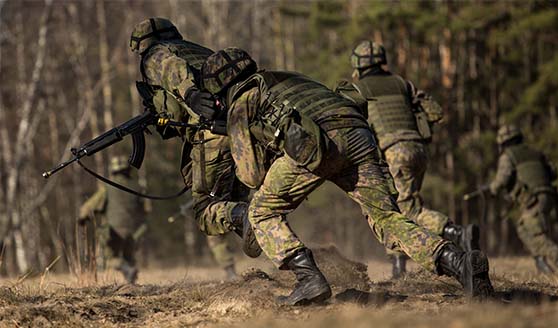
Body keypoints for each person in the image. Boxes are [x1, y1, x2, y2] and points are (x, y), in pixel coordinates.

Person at [191, 47, 494, 305]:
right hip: (360, 134)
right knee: (388, 219)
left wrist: (242, 136)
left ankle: (308, 278)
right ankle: (460, 262)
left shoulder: (241, 103)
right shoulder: (287, 78)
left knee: (261, 212)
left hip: (318, 144)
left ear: (221, 88)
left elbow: (251, 176)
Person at [337, 40, 480, 277]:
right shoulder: (402, 83)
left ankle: (454, 232)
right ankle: (399, 267)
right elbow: (435, 112)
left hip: (393, 152)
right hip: (417, 150)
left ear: (358, 65)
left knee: (402, 212)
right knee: (402, 207)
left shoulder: (359, 89)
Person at [129, 18, 260, 257]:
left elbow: (172, 70)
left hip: (211, 133)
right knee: (237, 201)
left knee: (206, 210)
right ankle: (293, 259)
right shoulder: (200, 51)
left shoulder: (156, 53)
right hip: (242, 129)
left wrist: (190, 95)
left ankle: (257, 222)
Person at [488, 124, 558, 273]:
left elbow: (503, 179)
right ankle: (541, 263)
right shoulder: (536, 152)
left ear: (503, 142)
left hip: (533, 199)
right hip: (550, 195)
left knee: (536, 234)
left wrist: (492, 188)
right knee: (523, 228)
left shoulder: (508, 156)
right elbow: (553, 173)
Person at [79, 156, 146, 283]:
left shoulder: (108, 187)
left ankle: (127, 272)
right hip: (134, 231)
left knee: (111, 259)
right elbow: (146, 209)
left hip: (113, 231)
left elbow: (89, 206)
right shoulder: (137, 187)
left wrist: (82, 217)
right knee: (129, 258)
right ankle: (131, 284)